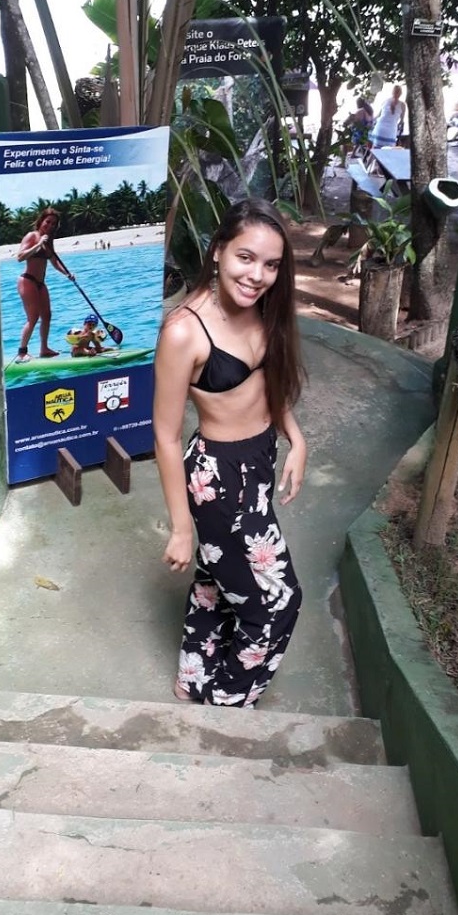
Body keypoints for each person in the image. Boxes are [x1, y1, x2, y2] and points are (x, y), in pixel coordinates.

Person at [153, 199, 306, 708]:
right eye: (246, 258)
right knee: (275, 606)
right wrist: (179, 526)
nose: (257, 275)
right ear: (218, 251)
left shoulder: (262, 308)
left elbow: (269, 385)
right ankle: (225, 704)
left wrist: (295, 438)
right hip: (219, 479)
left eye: (270, 264)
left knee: (217, 581)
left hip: (257, 461)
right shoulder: (184, 331)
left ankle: (192, 679)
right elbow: (166, 435)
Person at [15, 208, 75, 362]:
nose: (50, 225)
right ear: (41, 221)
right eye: (48, 222)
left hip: (40, 283)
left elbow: (54, 261)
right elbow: (20, 257)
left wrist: (67, 274)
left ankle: (44, 349)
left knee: (47, 316)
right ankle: (22, 353)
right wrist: (38, 245)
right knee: (33, 317)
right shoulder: (32, 236)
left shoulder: (49, 241)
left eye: (53, 224)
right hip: (27, 280)